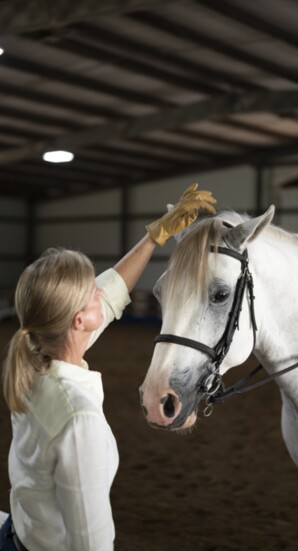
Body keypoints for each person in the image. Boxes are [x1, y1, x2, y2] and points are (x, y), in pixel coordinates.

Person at [0, 184, 216, 551]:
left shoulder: (37, 355)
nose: (100, 290)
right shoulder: (79, 420)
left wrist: (154, 236)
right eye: (90, 292)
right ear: (79, 321)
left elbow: (112, 290)